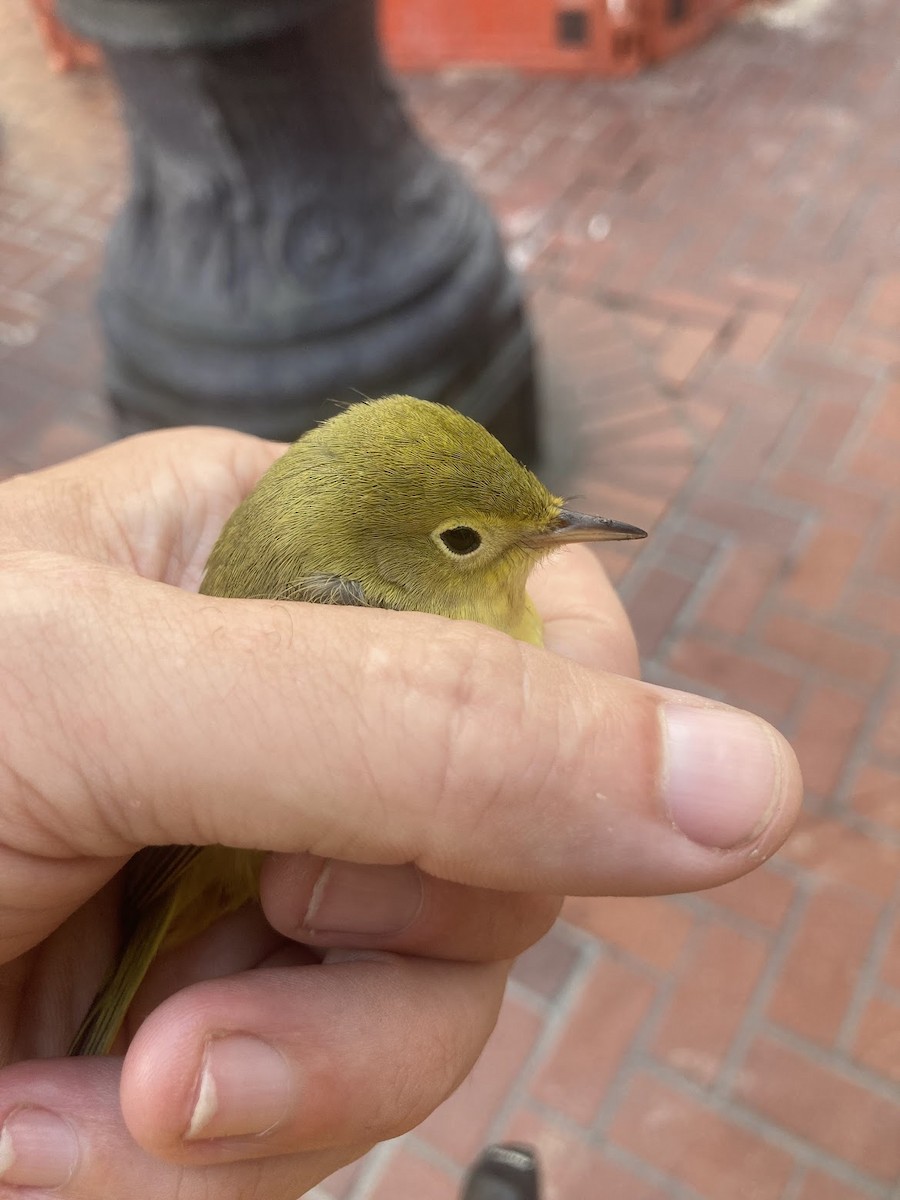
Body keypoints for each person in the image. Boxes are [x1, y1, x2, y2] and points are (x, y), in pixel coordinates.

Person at [0, 426, 802, 1199]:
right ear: (386, 563)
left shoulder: (424, 587)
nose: (554, 535)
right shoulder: (353, 610)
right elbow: (181, 814)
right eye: (465, 539)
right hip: (196, 855)